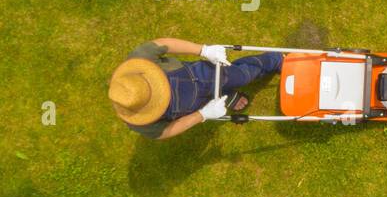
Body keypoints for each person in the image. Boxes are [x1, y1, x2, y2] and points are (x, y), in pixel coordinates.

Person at [108, 37, 283, 140]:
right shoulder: (139, 122)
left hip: (200, 74)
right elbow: (165, 131)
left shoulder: (138, 60)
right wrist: (203, 114)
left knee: (243, 75)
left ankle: (275, 59)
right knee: (212, 98)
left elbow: (163, 44)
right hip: (193, 105)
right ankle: (226, 94)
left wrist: (203, 50)